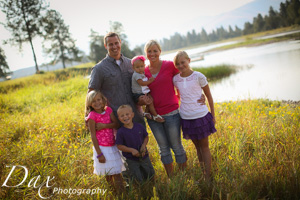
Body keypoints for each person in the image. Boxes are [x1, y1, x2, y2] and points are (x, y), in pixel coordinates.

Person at [143, 40, 187, 177]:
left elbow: (184, 77)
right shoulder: (143, 71)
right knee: (163, 149)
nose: (152, 54)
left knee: (176, 146)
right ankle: (172, 177)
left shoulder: (169, 65)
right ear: (146, 53)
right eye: (149, 51)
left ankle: (183, 175)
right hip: (153, 116)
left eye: (155, 50)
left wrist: (195, 94)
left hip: (172, 113)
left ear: (160, 51)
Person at [173, 51, 216, 182]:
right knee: (197, 147)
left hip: (201, 116)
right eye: (178, 64)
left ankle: (207, 177)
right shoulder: (175, 79)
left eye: (183, 62)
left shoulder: (199, 76)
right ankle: (203, 173)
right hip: (186, 118)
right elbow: (179, 95)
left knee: (204, 147)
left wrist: (213, 115)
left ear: (189, 61)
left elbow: (208, 96)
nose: (181, 66)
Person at [88, 32, 145, 127]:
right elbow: (91, 94)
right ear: (106, 46)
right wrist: (89, 116)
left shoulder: (131, 64)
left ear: (120, 42)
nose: (114, 46)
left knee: (143, 141)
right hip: (116, 121)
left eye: (116, 43)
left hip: (136, 116)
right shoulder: (99, 69)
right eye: (110, 44)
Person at [85, 90, 125, 192]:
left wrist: (104, 126)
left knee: (117, 172)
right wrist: (99, 154)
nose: (97, 103)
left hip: (112, 145)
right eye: (93, 101)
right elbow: (93, 136)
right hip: (102, 148)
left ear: (103, 100)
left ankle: (122, 193)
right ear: (90, 104)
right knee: (108, 173)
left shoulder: (108, 110)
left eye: (99, 99)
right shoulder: (92, 116)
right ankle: (113, 192)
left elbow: (116, 124)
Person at [115, 105, 155, 183]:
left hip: (144, 155)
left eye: (127, 114)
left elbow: (146, 137)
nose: (125, 117)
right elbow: (119, 146)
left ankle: (152, 187)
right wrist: (131, 150)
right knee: (137, 178)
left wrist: (143, 146)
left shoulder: (139, 126)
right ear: (119, 118)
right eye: (122, 116)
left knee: (150, 174)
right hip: (131, 159)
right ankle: (140, 188)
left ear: (132, 115)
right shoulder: (120, 132)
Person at [131, 55, 164, 123]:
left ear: (144, 65)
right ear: (133, 68)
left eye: (142, 66)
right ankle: (155, 115)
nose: (140, 68)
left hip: (143, 92)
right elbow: (142, 83)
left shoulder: (142, 73)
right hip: (138, 94)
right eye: (137, 67)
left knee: (151, 99)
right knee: (149, 101)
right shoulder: (136, 75)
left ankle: (146, 112)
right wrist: (150, 81)